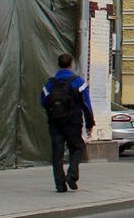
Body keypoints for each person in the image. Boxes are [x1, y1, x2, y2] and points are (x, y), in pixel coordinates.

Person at [41, 53, 95, 193]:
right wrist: (90, 123)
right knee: (77, 148)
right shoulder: (78, 82)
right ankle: (72, 175)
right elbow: (86, 105)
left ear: (58, 64)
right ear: (71, 64)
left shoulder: (50, 83)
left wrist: (53, 113)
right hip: (73, 122)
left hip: (55, 123)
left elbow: (43, 101)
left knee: (57, 153)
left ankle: (60, 184)